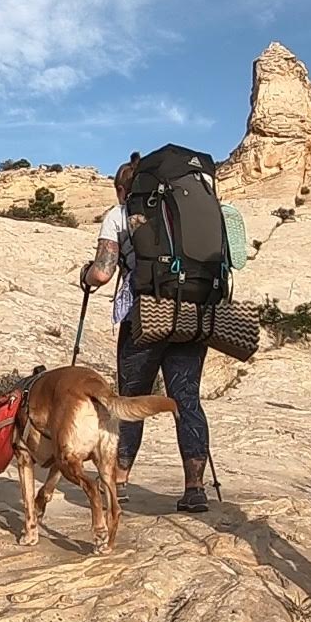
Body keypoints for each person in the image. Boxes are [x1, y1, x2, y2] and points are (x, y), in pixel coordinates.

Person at [82, 157, 213, 512]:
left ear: (124, 189)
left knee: (131, 399)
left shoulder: (119, 214)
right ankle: (195, 487)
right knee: (186, 399)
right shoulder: (185, 211)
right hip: (191, 316)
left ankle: (119, 482)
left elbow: (104, 273)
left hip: (144, 319)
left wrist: (86, 274)